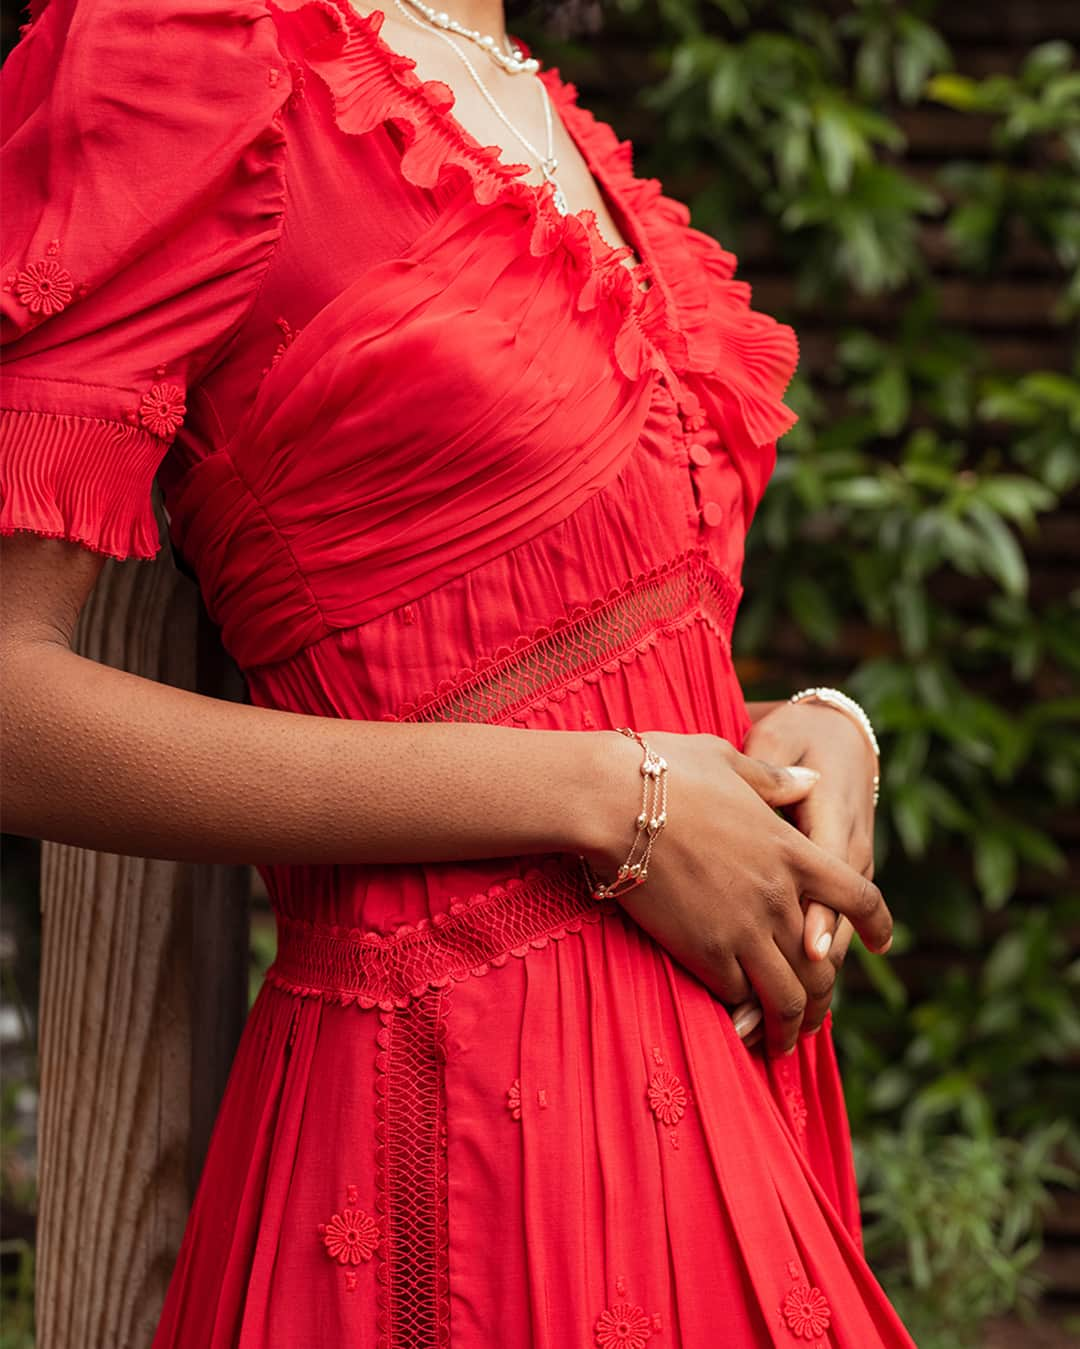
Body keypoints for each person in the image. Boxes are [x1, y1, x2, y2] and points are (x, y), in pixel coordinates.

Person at [0, 0, 916, 1343]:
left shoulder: (546, 113)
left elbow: (543, 654)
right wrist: (610, 793)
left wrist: (806, 732)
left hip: (725, 1126)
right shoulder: (186, 44)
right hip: (449, 1111)